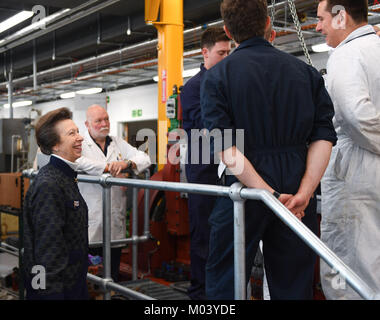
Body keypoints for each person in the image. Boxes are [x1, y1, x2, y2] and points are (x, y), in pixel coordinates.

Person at [201, 0, 337, 300]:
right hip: (297, 190)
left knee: (227, 279)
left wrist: (268, 195)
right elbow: (324, 136)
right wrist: (304, 191)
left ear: (228, 31)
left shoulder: (217, 78)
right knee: (293, 283)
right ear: (268, 25)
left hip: (246, 188)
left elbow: (227, 149)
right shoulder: (306, 73)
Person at [316, 0, 380, 300]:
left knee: (346, 263)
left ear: (341, 16)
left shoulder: (346, 54)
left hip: (356, 169)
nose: (317, 27)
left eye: (322, 18)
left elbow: (356, 115)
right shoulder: (376, 47)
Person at [180, 27, 231, 300]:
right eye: (221, 53)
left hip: (233, 167)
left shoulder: (231, 82)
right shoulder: (192, 88)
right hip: (204, 171)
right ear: (205, 53)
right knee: (204, 237)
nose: (226, 57)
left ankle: (225, 292)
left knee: (228, 235)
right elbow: (206, 127)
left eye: (229, 52)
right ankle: (200, 295)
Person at [76, 104, 151, 282]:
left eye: (106, 119)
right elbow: (79, 162)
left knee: (113, 273)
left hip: (114, 219)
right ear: (87, 124)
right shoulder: (80, 144)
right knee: (86, 273)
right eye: (98, 121)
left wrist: (127, 164)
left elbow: (145, 158)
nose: (104, 123)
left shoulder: (116, 142)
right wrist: (109, 168)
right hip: (90, 220)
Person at [23, 107, 89, 300]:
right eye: (71, 133)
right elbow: (47, 251)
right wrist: (49, 294)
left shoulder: (65, 177)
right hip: (56, 290)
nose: (80, 138)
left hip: (72, 283)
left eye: (77, 131)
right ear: (55, 145)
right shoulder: (50, 185)